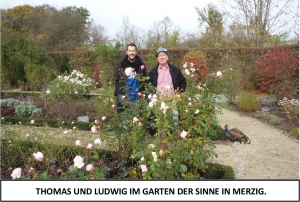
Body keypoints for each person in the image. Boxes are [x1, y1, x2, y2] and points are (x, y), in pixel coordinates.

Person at [148, 47, 187, 135]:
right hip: (158, 102)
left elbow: (183, 82)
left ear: (167, 57)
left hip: (172, 101)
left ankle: (173, 143)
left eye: (163, 55)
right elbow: (148, 87)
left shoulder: (174, 69)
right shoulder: (152, 72)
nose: (162, 57)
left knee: (174, 122)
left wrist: (179, 93)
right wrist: (153, 98)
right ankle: (162, 144)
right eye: (159, 56)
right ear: (157, 58)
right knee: (160, 124)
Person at [114, 43, 147, 113]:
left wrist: (143, 94)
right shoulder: (121, 65)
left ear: (136, 52)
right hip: (124, 98)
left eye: (133, 51)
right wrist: (118, 93)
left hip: (137, 99)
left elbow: (144, 81)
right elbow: (117, 80)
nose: (131, 53)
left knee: (137, 121)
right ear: (127, 52)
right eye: (130, 51)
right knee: (124, 121)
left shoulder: (141, 65)